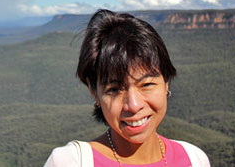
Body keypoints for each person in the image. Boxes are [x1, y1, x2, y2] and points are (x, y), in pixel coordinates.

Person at [44, 9, 210, 166]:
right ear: (94, 92)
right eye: (114, 90)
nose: (134, 105)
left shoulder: (194, 159)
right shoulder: (71, 162)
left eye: (147, 84)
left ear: (166, 82)